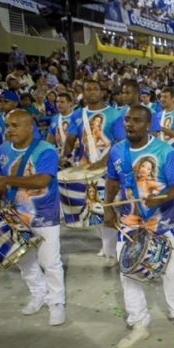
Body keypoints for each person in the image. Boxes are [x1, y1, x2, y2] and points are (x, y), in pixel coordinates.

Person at [104, 105, 174, 348]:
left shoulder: (165, 151)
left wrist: (161, 198)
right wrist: (108, 208)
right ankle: (138, 322)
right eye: (128, 120)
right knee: (128, 273)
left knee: (172, 270)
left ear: (148, 124)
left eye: (137, 120)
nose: (131, 124)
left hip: (163, 222)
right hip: (129, 222)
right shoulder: (117, 150)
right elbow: (112, 180)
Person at [0, 109, 65, 326]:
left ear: (29, 127)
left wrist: (4, 179)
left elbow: (41, 181)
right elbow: (0, 183)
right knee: (23, 259)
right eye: (7, 125)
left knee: (49, 261)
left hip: (44, 215)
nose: (9, 130)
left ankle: (56, 302)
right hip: (14, 214)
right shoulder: (3, 149)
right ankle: (38, 293)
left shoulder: (46, 150)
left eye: (15, 125)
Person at [63, 80, 125, 266]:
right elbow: (70, 139)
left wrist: (102, 162)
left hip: (109, 168)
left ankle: (111, 252)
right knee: (92, 209)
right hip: (86, 169)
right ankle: (108, 245)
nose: (91, 92)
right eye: (87, 89)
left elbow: (120, 142)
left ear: (102, 92)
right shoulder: (77, 115)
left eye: (95, 89)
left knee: (108, 207)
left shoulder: (114, 114)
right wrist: (64, 155)